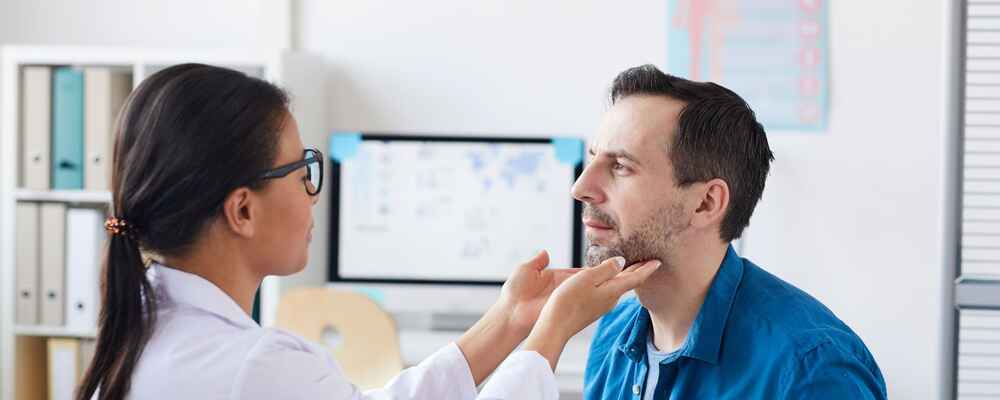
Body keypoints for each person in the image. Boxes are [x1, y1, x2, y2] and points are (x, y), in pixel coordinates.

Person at [75, 63, 662, 400]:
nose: (313, 193)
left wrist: (512, 318)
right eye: (301, 172)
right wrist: (553, 330)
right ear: (242, 211)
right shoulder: (254, 368)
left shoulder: (144, 332)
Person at [578, 65, 887, 399]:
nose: (580, 188)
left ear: (706, 203)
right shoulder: (613, 333)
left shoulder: (811, 370)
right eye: (593, 159)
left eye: (621, 166)